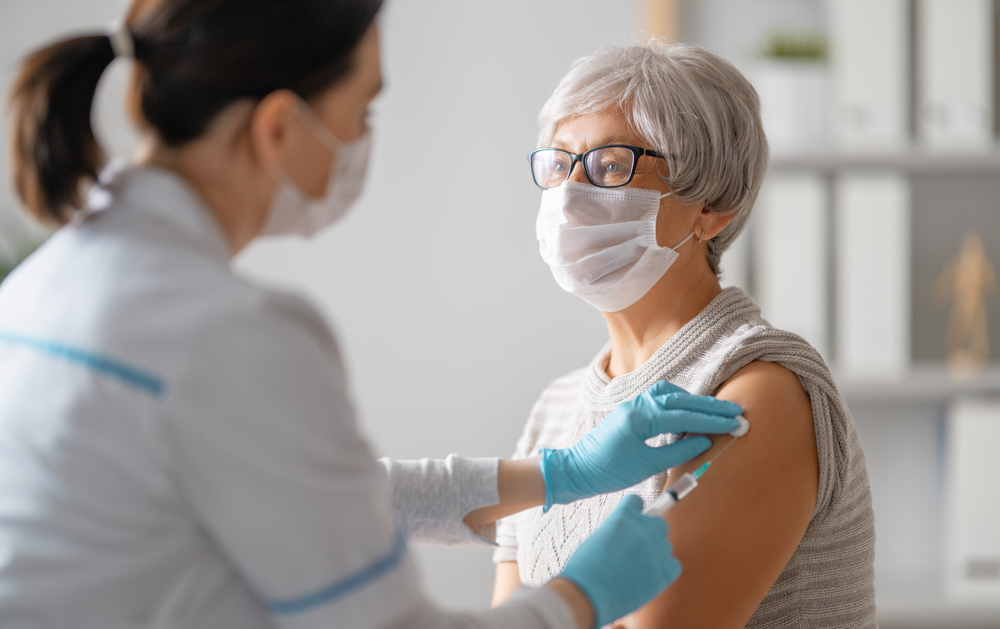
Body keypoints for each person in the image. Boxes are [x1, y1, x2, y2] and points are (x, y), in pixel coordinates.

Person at [0, 3, 748, 629]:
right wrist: (578, 597)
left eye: (611, 164)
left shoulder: (42, 286)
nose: (362, 142)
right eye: (360, 112)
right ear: (279, 129)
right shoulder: (231, 335)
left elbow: (329, 491)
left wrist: (563, 474)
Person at [491, 42, 877, 628]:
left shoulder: (755, 391)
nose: (569, 194)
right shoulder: (556, 410)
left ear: (713, 206)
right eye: (558, 161)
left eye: (611, 165)